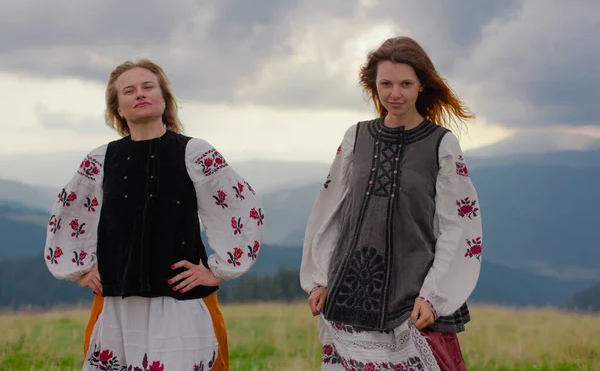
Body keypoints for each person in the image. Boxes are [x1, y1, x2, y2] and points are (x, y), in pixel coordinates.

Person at [44, 59, 265, 370]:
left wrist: (218, 269)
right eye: (128, 91)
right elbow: (68, 213)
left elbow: (241, 207)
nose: (139, 94)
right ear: (118, 108)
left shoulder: (195, 152)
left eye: (148, 87)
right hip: (118, 300)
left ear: (164, 99)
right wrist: (78, 269)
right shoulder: (101, 159)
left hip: (180, 298)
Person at [300, 36, 483, 371]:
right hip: (348, 296)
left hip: (413, 302)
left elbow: (457, 228)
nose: (394, 94)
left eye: (405, 84)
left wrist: (434, 297)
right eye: (386, 84)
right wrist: (320, 278)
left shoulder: (442, 145)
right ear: (374, 85)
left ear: (422, 86)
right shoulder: (355, 137)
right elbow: (330, 211)